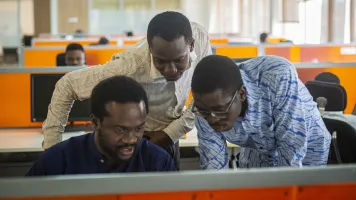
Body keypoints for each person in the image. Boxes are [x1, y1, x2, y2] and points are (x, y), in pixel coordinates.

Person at [42, 11, 212, 170]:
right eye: (160, 61)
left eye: (179, 60)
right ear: (150, 50)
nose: (170, 70)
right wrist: (51, 153)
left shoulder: (200, 38)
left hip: (169, 141)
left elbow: (205, 94)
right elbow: (67, 85)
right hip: (127, 141)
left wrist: (171, 133)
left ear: (191, 46)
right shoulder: (128, 66)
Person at [191, 55, 331, 169]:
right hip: (259, 151)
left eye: (220, 111)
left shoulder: (277, 76)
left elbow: (291, 148)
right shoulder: (203, 106)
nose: (211, 120)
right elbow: (213, 167)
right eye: (204, 112)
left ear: (241, 94)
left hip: (307, 144)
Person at [27, 76, 176, 176]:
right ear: (95, 122)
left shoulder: (158, 162)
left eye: (138, 129)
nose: (130, 139)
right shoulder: (57, 161)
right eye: (120, 129)